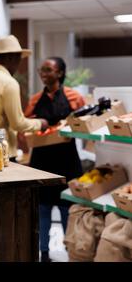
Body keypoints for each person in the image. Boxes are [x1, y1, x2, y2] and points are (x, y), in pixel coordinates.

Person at [25, 57, 85, 262]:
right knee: (42, 210)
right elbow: (26, 126)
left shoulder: (74, 97)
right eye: (41, 69)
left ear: (59, 73)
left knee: (67, 208)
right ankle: (44, 253)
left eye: (48, 70)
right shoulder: (34, 100)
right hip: (41, 162)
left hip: (67, 161)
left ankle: (71, 253)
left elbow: (84, 124)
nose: (43, 73)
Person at [0, 35, 49, 161]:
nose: (18, 65)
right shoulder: (9, 83)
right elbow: (17, 123)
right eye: (18, 59)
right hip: (1, 153)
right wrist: (41, 123)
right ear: (11, 57)